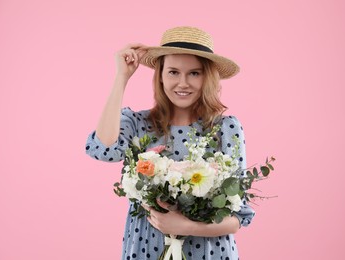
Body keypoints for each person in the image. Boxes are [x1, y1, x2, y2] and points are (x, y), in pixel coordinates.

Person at [85, 26, 255, 260]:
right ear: (161, 75)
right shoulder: (137, 123)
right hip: (145, 251)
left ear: (207, 77)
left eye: (194, 73)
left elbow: (238, 217)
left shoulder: (225, 129)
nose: (183, 83)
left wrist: (185, 227)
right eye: (173, 72)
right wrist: (121, 78)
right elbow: (103, 149)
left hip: (208, 253)